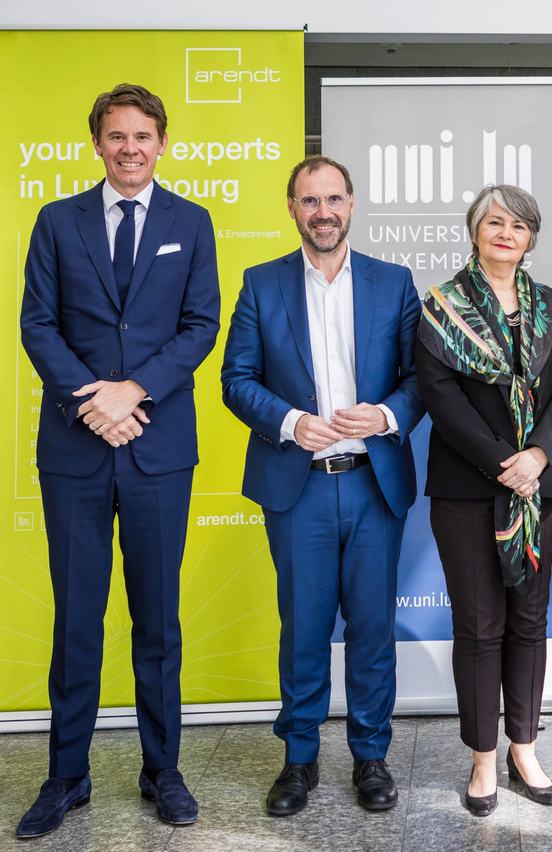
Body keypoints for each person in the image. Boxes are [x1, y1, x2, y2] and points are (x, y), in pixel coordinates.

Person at [16, 84, 220, 837]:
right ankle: (66, 776)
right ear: (96, 143)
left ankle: (162, 770)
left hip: (158, 449)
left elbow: (201, 326)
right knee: (77, 619)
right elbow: (38, 324)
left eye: (142, 136)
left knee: (157, 621)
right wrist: (90, 402)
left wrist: (134, 392)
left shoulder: (190, 223)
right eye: (116, 136)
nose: (130, 148)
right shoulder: (56, 222)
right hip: (75, 447)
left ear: (162, 143)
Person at [220, 156, 424, 817]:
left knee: (371, 629)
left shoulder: (394, 284)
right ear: (291, 209)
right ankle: (299, 760)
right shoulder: (260, 284)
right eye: (310, 201)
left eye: (333, 198)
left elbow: (422, 378)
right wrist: (288, 421)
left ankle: (371, 758)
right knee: (303, 628)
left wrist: (387, 415)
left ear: (352, 204)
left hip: (372, 486)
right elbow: (236, 379)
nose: (323, 211)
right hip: (298, 487)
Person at [416, 185, 552, 817]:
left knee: (528, 621)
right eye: (494, 222)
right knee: (479, 626)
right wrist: (501, 464)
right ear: (474, 231)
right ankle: (483, 757)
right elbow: (439, 396)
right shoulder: (442, 307)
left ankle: (524, 747)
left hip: (541, 488)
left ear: (531, 238)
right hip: (466, 488)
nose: (505, 232)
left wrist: (538, 455)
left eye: (518, 224)